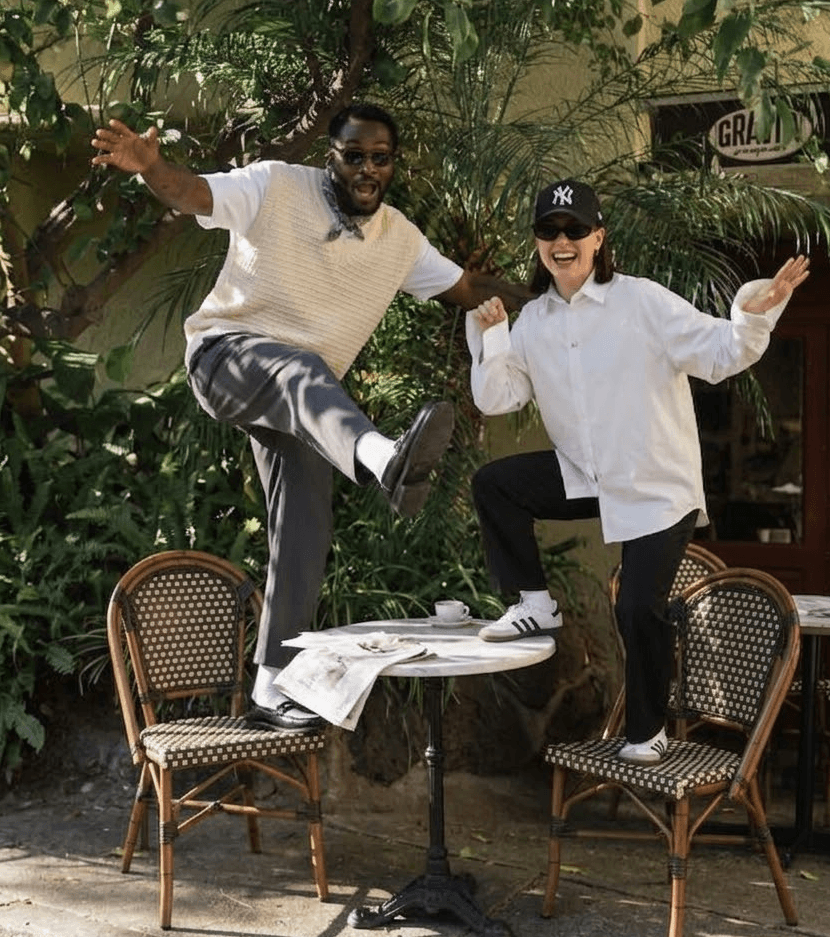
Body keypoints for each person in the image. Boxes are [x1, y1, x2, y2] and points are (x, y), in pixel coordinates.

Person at [92, 102, 531, 731]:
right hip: (225, 358)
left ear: (392, 165)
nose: (367, 169)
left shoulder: (400, 240)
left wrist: (560, 295)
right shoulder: (274, 186)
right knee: (301, 370)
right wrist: (150, 167)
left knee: (306, 522)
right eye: (354, 156)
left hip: (303, 404)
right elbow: (191, 194)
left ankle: (271, 686)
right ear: (331, 158)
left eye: (380, 158)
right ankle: (384, 460)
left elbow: (470, 289)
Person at [466, 178, 809, 764]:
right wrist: (492, 337)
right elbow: (499, 398)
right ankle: (535, 603)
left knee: (635, 607)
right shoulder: (534, 322)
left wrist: (751, 317)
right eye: (549, 230)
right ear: (538, 241)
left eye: (575, 229)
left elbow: (722, 354)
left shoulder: (643, 301)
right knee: (495, 485)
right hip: (587, 475)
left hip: (656, 485)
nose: (562, 241)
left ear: (599, 237)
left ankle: (647, 733)